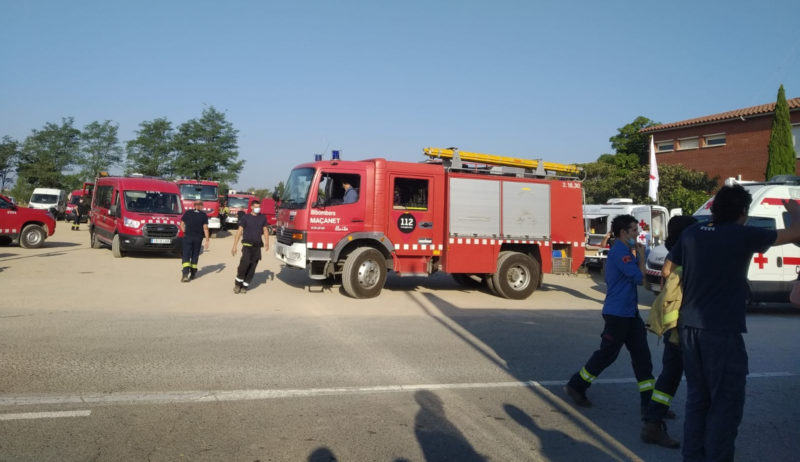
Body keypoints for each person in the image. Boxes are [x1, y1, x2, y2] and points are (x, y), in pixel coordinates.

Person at [670, 185, 800, 461]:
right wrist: (794, 210)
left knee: (698, 399)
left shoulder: (692, 233)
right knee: (726, 403)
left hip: (689, 327)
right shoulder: (742, 234)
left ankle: (693, 456)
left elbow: (671, 266)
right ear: (743, 212)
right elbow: (796, 232)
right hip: (721, 330)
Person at [565, 214, 655, 413]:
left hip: (630, 314)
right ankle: (577, 384)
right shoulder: (620, 253)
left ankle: (651, 404)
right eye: (634, 230)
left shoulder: (627, 251)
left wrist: (640, 255)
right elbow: (640, 278)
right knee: (607, 354)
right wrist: (641, 257)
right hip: (618, 315)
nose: (637, 234)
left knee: (642, 357)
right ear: (623, 233)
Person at [640, 215, 697, 449]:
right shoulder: (686, 251)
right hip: (684, 327)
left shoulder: (674, 248)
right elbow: (668, 275)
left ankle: (653, 420)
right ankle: (655, 423)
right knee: (689, 378)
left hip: (673, 326)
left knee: (669, 375)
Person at [231, 200, 269, 294]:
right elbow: (239, 231)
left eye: (259, 207)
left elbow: (265, 230)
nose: (258, 209)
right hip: (247, 245)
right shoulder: (245, 217)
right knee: (244, 264)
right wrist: (234, 246)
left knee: (252, 267)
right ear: (251, 207)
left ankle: (245, 286)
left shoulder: (262, 218)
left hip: (257, 246)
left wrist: (267, 242)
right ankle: (237, 284)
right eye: (256, 207)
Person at [179, 199, 210, 283]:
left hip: (188, 237)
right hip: (198, 238)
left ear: (194, 205)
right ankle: (193, 273)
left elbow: (181, 225)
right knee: (195, 255)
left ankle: (185, 275)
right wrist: (207, 240)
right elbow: (205, 228)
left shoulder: (188, 213)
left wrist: (185, 232)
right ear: (201, 206)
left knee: (186, 255)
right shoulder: (204, 215)